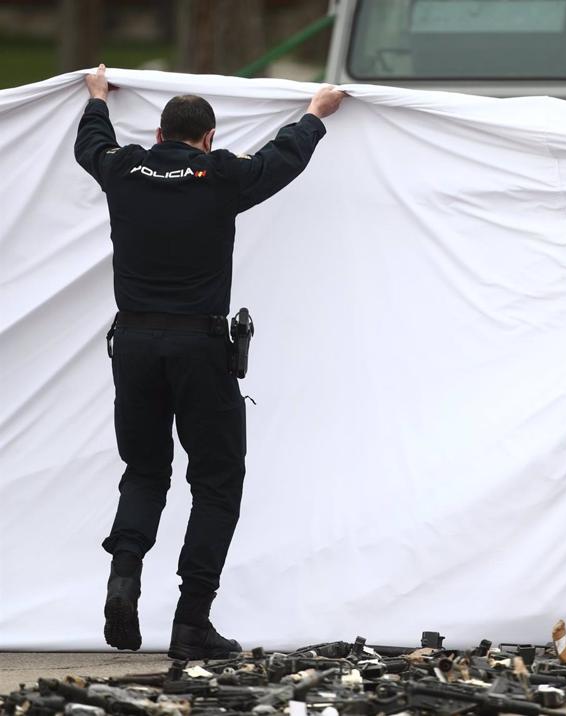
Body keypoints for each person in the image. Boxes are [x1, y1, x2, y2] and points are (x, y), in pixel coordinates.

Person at [75, 65, 346, 660]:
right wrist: (315, 115)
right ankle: (192, 622)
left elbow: (90, 144)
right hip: (199, 347)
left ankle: (124, 575)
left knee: (145, 471)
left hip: (135, 344)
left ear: (159, 133)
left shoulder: (122, 170)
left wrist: (97, 98)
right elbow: (281, 160)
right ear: (209, 138)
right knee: (217, 482)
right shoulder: (219, 176)